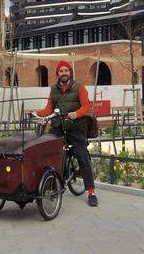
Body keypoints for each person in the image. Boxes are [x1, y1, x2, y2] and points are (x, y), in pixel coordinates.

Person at [32, 60, 98, 207]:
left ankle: (92, 191)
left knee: (82, 156)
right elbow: (49, 109)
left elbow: (87, 106)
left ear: (70, 72)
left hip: (76, 127)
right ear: (58, 74)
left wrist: (76, 113)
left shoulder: (79, 87)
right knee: (49, 153)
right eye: (61, 71)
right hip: (58, 126)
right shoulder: (53, 89)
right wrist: (35, 113)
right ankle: (52, 182)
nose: (64, 73)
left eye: (66, 71)